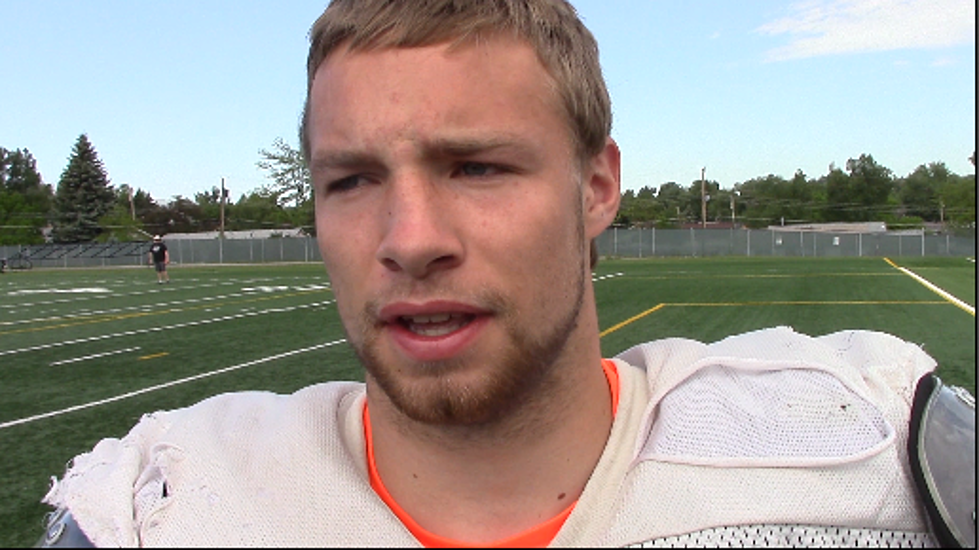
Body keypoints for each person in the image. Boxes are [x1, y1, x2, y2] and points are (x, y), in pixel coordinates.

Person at [38, 0, 974, 547]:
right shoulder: (168, 505)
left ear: (597, 186)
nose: (410, 238)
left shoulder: (871, 456)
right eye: (352, 179)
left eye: (476, 167)